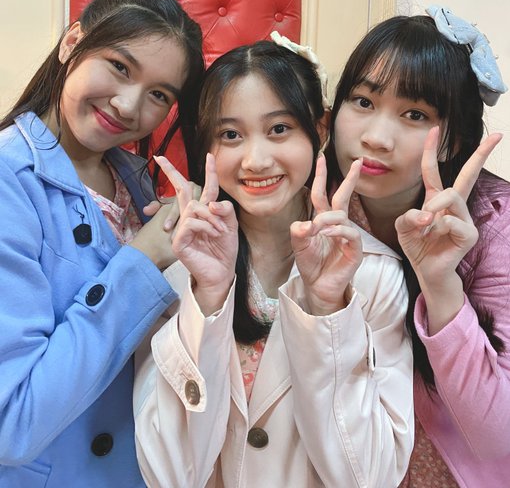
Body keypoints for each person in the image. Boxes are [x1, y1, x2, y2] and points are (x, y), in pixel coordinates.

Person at [133, 36, 414, 487]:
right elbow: (168, 473)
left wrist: (327, 310)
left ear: (320, 130)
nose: (257, 160)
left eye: (279, 128)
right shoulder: (180, 270)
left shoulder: (374, 274)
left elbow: (370, 476)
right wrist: (208, 300)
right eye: (230, 135)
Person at [0, 0, 205, 487]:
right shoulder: (9, 181)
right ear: (73, 41)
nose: (128, 105)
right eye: (119, 66)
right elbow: (13, 423)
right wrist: (143, 260)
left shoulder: (137, 182)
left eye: (159, 95)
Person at [325, 6, 510, 487]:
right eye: (363, 101)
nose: (375, 138)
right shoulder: (316, 203)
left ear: (453, 141)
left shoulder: (497, 225)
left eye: (415, 114)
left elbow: (497, 437)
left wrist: (441, 285)